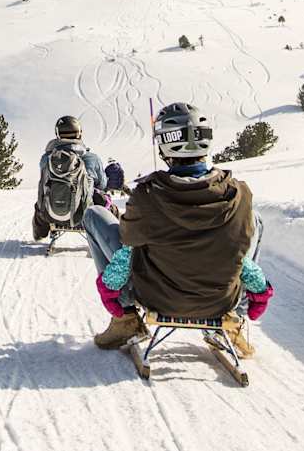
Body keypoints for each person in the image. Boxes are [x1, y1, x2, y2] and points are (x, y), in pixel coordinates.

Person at [80, 102, 273, 352]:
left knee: (95, 215)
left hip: (156, 297)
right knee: (253, 219)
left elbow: (128, 243)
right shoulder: (239, 194)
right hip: (221, 301)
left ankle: (124, 318)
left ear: (164, 143)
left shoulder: (147, 194)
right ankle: (234, 321)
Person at [32, 115, 108, 239]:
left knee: (39, 204)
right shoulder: (92, 158)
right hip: (83, 215)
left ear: (58, 134)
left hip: (50, 215)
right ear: (79, 133)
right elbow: (102, 185)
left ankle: (39, 234)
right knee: (107, 204)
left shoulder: (47, 158)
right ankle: (117, 244)